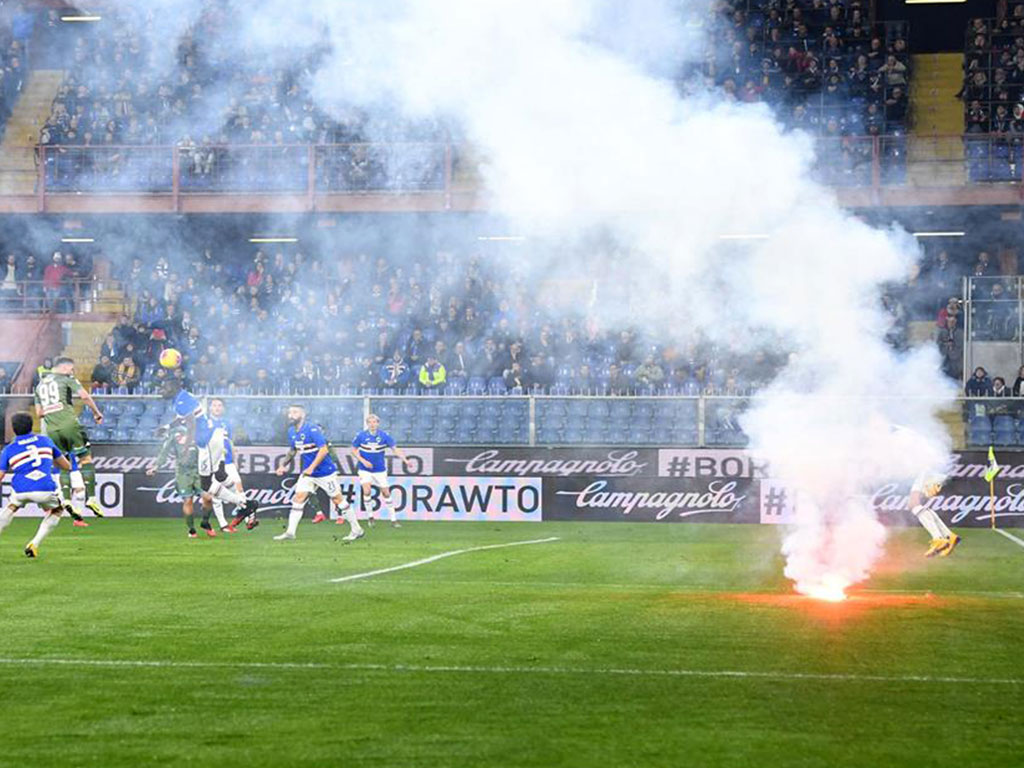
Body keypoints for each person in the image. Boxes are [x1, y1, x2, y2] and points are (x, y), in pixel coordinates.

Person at [274, 405, 362, 541]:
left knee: (338, 499)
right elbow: (293, 450)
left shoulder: (312, 429)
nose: (291, 415)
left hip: (324, 472)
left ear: (303, 414)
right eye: (289, 412)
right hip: (308, 474)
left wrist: (311, 467)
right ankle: (290, 532)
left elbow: (324, 450)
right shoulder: (291, 431)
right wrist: (282, 465)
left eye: (295, 412)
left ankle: (357, 530)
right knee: (298, 498)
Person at [33, 357, 105, 518]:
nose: (72, 372)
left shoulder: (39, 386)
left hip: (52, 430)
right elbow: (84, 396)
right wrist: (96, 413)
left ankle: (66, 499)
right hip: (70, 425)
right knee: (86, 459)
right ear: (65, 368)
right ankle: (92, 498)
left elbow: (39, 413)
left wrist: (53, 409)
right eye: (71, 369)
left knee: (64, 464)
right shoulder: (66, 379)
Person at [0, 412, 75, 558]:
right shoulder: (45, 441)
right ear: (31, 425)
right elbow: (66, 466)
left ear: (13, 429)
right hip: (44, 488)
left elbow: (1, 475)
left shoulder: (8, 449)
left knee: (12, 506)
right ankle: (34, 543)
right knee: (58, 509)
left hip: (20, 489)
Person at [891, 424, 961, 558]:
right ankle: (949, 536)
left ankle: (939, 538)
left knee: (914, 504)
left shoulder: (899, 435)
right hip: (935, 467)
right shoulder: (904, 432)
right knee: (914, 504)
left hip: (930, 468)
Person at [207, 397, 258, 532]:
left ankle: (248, 518)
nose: (217, 408)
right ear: (210, 408)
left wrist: (234, 456)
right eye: (214, 405)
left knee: (238, 486)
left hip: (228, 461)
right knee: (216, 494)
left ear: (223, 408)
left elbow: (229, 441)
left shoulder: (226, 423)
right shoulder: (206, 423)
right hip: (214, 463)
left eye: (219, 405)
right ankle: (223, 525)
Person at [351, 413, 410, 527]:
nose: (372, 424)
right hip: (365, 469)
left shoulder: (384, 436)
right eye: (370, 422)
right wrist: (363, 461)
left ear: (378, 423)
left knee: (386, 493)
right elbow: (353, 450)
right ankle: (370, 517)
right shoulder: (361, 436)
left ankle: (393, 519)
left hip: (379, 469)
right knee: (367, 491)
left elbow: (395, 449)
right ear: (367, 424)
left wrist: (405, 460)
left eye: (374, 422)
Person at [146, 421, 203, 538]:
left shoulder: (198, 432)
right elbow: (164, 452)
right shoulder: (174, 434)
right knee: (188, 500)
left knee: (208, 498)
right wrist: (156, 466)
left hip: (199, 472)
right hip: (183, 473)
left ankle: (206, 522)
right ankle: (192, 529)